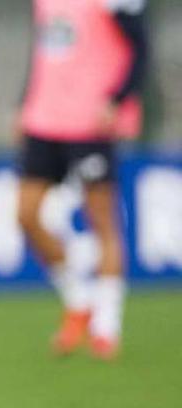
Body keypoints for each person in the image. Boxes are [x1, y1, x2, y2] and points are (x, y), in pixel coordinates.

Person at [17, 0, 148, 360]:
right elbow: (44, 50)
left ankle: (107, 325)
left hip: (91, 119)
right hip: (44, 118)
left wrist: (118, 99)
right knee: (26, 214)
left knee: (101, 220)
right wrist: (24, 103)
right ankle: (79, 300)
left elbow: (141, 46)